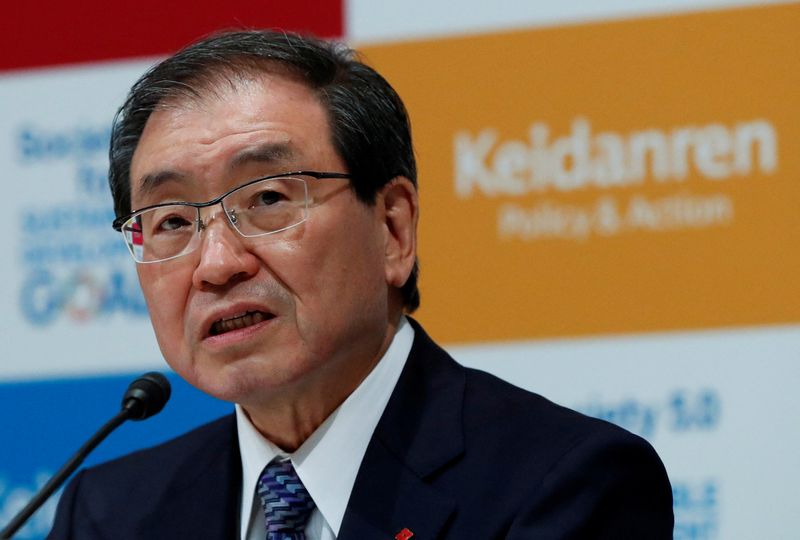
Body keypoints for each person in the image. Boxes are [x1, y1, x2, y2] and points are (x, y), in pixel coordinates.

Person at [48, 30, 673, 539]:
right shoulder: (109, 515)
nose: (216, 263)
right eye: (173, 221)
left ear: (393, 228)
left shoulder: (565, 486)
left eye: (268, 197)